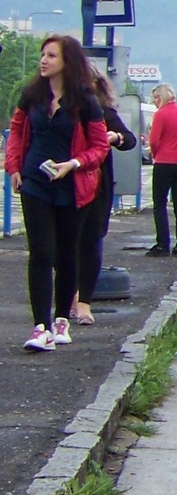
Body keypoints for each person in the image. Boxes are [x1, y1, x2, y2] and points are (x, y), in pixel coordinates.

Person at [4, 35, 109, 351]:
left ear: (68, 61)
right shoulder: (32, 95)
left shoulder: (86, 101)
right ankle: (40, 328)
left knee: (66, 254)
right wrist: (14, 168)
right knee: (41, 253)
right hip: (35, 183)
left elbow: (100, 147)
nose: (44, 60)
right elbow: (17, 131)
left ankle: (62, 318)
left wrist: (74, 163)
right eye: (42, 55)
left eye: (52, 55)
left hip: (72, 186)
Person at [75, 70, 140, 325]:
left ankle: (84, 301)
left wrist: (117, 136)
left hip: (97, 186)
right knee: (64, 244)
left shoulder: (104, 112)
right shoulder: (61, 109)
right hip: (67, 183)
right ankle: (71, 296)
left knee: (91, 242)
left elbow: (130, 140)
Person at [146, 83, 177, 257]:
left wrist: (157, 155)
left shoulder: (161, 114)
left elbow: (154, 141)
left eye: (156, 98)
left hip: (164, 162)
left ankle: (163, 244)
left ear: (162, 97)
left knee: (159, 204)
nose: (155, 101)